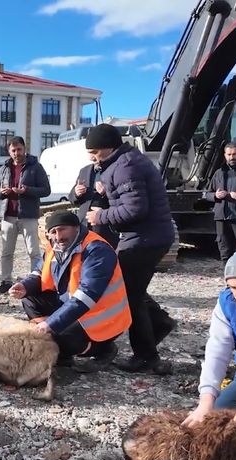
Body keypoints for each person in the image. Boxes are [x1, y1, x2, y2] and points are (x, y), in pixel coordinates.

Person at [84, 123, 176, 374]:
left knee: (127, 294)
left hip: (145, 238)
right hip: (149, 236)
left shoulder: (125, 166)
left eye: (93, 151)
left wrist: (101, 216)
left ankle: (146, 356)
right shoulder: (124, 162)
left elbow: (136, 209)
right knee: (132, 288)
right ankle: (160, 323)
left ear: (107, 148)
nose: (91, 157)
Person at [8, 211, 129, 373]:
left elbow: (87, 295)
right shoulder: (54, 247)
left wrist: (50, 324)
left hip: (102, 315)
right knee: (29, 299)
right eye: (53, 232)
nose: (58, 236)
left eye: (62, 229)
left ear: (76, 228)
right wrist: (25, 286)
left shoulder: (96, 250)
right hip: (74, 305)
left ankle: (103, 348)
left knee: (60, 336)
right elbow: (39, 272)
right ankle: (62, 351)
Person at [183, 245, 236, 430]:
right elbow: (217, 351)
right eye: (232, 287)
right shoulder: (227, 305)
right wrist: (206, 401)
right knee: (217, 417)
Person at [0, 136, 51, 294]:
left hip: (28, 216)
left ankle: (36, 280)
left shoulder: (35, 167)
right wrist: (1, 192)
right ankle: (6, 281)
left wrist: (27, 190)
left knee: (33, 251)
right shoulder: (4, 168)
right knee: (6, 252)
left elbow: (46, 190)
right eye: (13, 150)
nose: (16, 153)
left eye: (19, 149)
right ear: (9, 151)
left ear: (24, 149)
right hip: (8, 216)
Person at [68, 160, 120, 248]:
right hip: (84, 224)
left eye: (95, 153)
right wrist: (76, 193)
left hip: (105, 226)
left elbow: (124, 199)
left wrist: (106, 192)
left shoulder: (116, 169)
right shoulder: (85, 170)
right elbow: (72, 199)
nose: (93, 157)